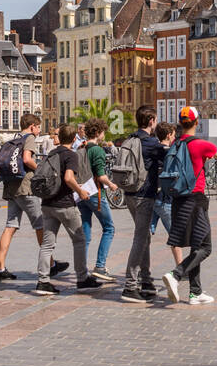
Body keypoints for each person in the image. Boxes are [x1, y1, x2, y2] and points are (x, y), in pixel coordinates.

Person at [160, 107, 217, 305]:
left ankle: (195, 293)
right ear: (197, 122)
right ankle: (176, 274)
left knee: (195, 245)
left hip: (178, 198)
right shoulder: (201, 145)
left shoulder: (176, 143)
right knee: (206, 247)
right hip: (195, 200)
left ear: (181, 123)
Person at [34, 123, 102, 295]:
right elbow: (68, 177)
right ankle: (82, 278)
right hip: (65, 205)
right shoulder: (71, 155)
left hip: (48, 203)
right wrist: (80, 191)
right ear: (74, 139)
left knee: (47, 245)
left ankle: (43, 281)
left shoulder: (51, 153)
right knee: (79, 240)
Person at [0, 114, 49, 283]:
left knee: (10, 226)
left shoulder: (13, 138)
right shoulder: (29, 137)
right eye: (38, 127)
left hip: (11, 187)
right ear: (32, 126)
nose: (39, 131)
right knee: (40, 225)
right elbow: (27, 159)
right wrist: (40, 169)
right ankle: (50, 264)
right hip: (25, 187)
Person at [121, 106, 166, 303]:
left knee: (145, 235)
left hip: (129, 193)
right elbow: (168, 157)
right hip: (144, 194)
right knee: (140, 238)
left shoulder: (130, 139)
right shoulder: (150, 142)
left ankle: (146, 280)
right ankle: (130, 286)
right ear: (150, 121)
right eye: (155, 120)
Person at [78, 117, 118, 282]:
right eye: (103, 132)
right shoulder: (98, 150)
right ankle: (100, 266)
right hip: (95, 193)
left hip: (81, 193)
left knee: (85, 232)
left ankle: (81, 269)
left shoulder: (81, 147)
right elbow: (101, 176)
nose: (104, 135)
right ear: (97, 132)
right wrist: (111, 184)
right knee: (109, 228)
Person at [148, 122, 184, 269]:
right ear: (169, 135)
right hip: (165, 200)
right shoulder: (170, 152)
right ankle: (181, 269)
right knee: (175, 236)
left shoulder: (151, 150)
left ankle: (139, 268)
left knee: (144, 235)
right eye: (173, 134)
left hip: (151, 197)